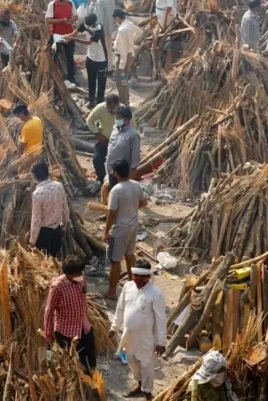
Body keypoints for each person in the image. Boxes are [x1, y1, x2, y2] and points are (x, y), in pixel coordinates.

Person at [111, 261, 166, 400]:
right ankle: (140, 385)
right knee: (131, 360)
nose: (139, 280)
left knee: (146, 364)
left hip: (146, 337)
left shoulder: (155, 293)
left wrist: (161, 342)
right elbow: (120, 308)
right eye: (136, 276)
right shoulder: (128, 287)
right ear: (132, 275)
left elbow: (160, 319)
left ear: (148, 277)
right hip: (128, 335)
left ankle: (147, 392)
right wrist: (114, 327)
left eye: (143, 278)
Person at [103, 159, 148, 298]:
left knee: (115, 261)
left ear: (116, 173)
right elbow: (144, 202)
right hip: (133, 226)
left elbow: (112, 213)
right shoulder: (136, 185)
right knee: (130, 256)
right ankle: (134, 287)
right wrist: (132, 210)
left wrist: (106, 232)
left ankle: (111, 292)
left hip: (120, 230)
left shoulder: (116, 190)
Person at [43, 256, 96, 374]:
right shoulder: (57, 287)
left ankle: (91, 383)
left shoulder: (81, 279)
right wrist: (48, 333)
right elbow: (49, 310)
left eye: (81, 272)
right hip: (66, 331)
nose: (80, 275)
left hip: (84, 327)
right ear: (68, 274)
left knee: (89, 360)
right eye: (77, 273)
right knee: (68, 364)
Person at [66, 14, 108, 106]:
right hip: (90, 58)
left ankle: (100, 103)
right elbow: (76, 31)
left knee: (101, 84)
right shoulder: (86, 23)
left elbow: (89, 42)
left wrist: (73, 39)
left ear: (94, 23)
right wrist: (68, 37)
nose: (86, 27)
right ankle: (91, 100)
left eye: (88, 25)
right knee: (91, 81)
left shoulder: (99, 29)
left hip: (101, 60)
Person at [29, 162, 70, 257]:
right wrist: (63, 226)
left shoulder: (37, 194)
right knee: (55, 259)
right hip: (57, 229)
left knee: (45, 263)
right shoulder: (59, 186)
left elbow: (36, 220)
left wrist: (32, 240)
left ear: (35, 176)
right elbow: (65, 209)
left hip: (44, 234)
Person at [87, 94, 124, 185]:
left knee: (119, 164)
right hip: (104, 141)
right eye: (108, 107)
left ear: (117, 104)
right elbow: (89, 121)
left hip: (119, 143)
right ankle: (103, 182)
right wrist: (98, 134)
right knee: (97, 160)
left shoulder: (124, 110)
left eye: (112, 107)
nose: (110, 110)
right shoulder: (100, 108)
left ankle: (117, 183)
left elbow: (133, 127)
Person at [46, 0, 78, 84]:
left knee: (70, 57)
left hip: (68, 34)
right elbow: (48, 20)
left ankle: (71, 78)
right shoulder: (53, 5)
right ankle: (54, 79)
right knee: (54, 57)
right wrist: (61, 21)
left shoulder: (70, 3)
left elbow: (76, 16)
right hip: (56, 34)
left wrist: (71, 20)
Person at [105, 106, 140, 187]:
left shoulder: (133, 135)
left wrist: (128, 180)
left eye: (119, 118)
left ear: (127, 119)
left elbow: (135, 161)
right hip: (111, 172)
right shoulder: (114, 130)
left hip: (123, 176)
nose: (117, 120)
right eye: (116, 118)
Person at [113, 9, 143, 106]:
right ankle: (126, 101)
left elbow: (122, 51)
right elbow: (140, 31)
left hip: (123, 59)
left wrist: (121, 67)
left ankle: (123, 103)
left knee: (120, 82)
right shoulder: (129, 24)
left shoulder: (122, 30)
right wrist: (131, 42)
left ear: (117, 18)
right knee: (124, 80)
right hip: (129, 55)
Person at [90, 0, 115, 73]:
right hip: (110, 26)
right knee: (109, 47)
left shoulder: (100, 1)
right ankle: (110, 67)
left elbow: (100, 19)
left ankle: (107, 68)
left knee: (103, 48)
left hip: (103, 29)